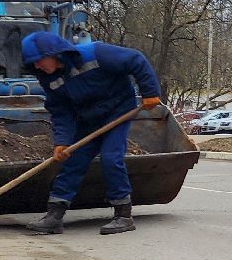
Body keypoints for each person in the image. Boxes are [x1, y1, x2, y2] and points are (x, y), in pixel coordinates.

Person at [19, 30, 163, 235]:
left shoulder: (96, 54)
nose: (36, 66)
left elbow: (135, 60)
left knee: (111, 158)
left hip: (117, 111)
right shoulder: (48, 78)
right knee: (72, 161)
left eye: (39, 60)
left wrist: (150, 92)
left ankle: (123, 215)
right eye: (32, 63)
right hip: (88, 119)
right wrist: (62, 141)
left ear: (54, 53)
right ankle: (54, 216)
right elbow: (61, 111)